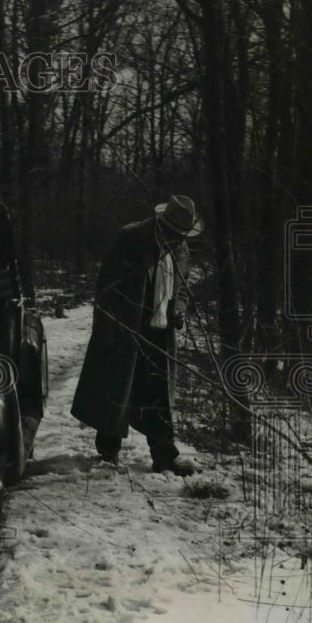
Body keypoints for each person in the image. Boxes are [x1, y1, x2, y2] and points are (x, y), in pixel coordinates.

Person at [70, 194, 203, 475]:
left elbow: (181, 287)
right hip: (126, 329)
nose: (179, 239)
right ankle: (108, 452)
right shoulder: (130, 239)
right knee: (118, 390)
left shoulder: (180, 249)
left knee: (157, 396)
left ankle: (165, 455)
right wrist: (109, 330)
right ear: (161, 224)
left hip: (160, 334)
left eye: (183, 235)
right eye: (175, 234)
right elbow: (107, 287)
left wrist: (178, 309)